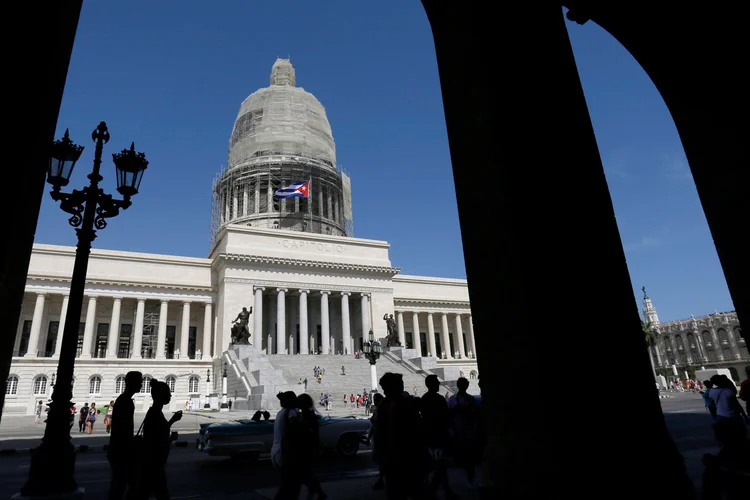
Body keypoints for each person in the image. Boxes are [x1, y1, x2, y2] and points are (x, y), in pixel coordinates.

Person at [139, 380, 182, 500]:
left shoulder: (154, 412)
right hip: (154, 464)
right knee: (160, 493)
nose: (170, 395)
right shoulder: (155, 413)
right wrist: (171, 437)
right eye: (168, 393)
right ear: (161, 396)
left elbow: (159, 433)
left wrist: (172, 421)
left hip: (152, 463)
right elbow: (158, 440)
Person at [421, 375, 458, 499]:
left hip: (431, 435)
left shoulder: (424, 399)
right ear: (431, 384)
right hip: (437, 435)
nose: (438, 384)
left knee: (439, 464)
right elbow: (445, 416)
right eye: (436, 382)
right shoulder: (439, 399)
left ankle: (441, 490)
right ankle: (437, 490)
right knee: (439, 464)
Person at [108, 371, 142, 500]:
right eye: (139, 381)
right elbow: (121, 428)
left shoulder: (125, 400)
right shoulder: (125, 401)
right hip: (122, 451)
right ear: (131, 383)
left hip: (121, 450)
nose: (141, 384)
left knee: (121, 485)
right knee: (122, 486)